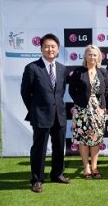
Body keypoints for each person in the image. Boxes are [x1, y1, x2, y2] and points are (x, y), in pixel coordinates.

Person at [20, 33, 70, 193]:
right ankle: (37, 179)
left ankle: (57, 174)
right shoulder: (32, 68)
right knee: (39, 148)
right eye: (46, 46)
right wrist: (35, 110)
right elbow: (25, 93)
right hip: (40, 116)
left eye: (53, 46)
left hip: (59, 115)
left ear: (58, 49)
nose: (50, 49)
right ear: (41, 49)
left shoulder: (62, 69)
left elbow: (60, 93)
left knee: (59, 147)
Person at [69, 45, 108, 179]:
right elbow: (71, 91)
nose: (92, 57)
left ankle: (94, 167)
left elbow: (106, 90)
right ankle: (86, 167)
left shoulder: (103, 72)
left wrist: (100, 106)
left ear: (99, 57)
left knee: (96, 139)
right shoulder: (78, 72)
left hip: (98, 112)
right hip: (82, 111)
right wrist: (81, 103)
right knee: (83, 140)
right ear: (85, 56)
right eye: (90, 54)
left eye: (95, 55)